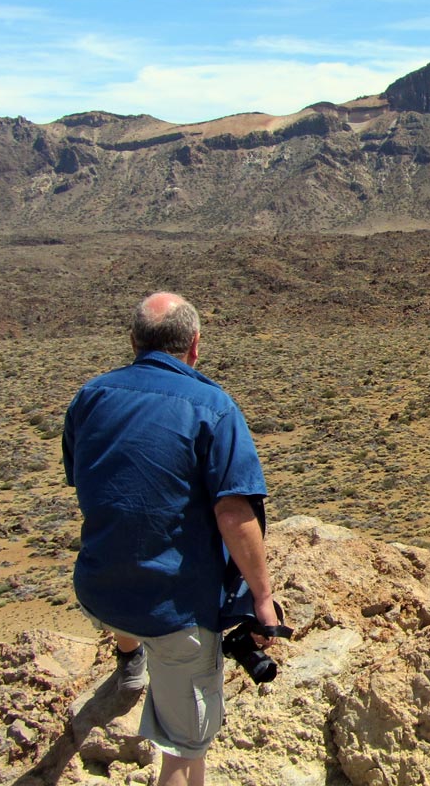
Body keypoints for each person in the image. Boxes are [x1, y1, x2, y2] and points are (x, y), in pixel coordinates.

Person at [62, 291, 278, 786]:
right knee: (183, 750)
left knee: (128, 547)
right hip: (174, 612)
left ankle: (129, 658)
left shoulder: (90, 396)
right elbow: (233, 510)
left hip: (99, 590)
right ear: (195, 346)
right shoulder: (214, 408)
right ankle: (147, 667)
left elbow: (87, 479)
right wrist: (262, 598)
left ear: (134, 342)